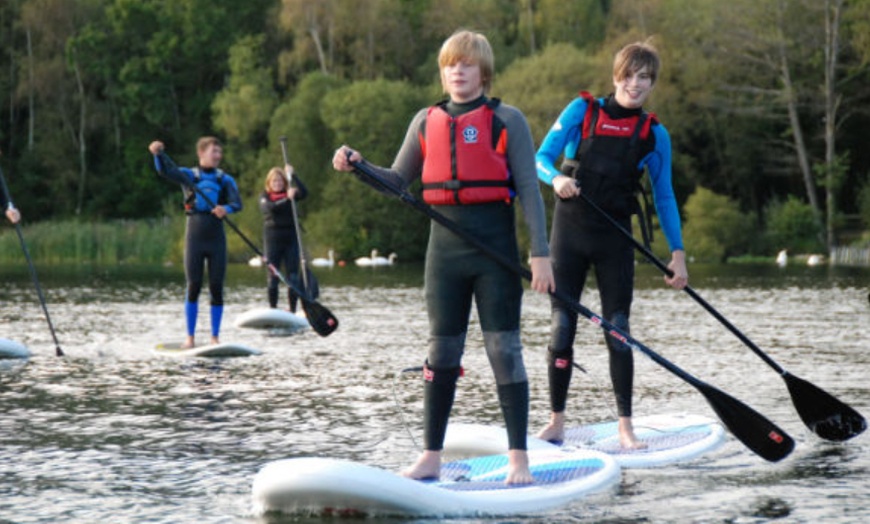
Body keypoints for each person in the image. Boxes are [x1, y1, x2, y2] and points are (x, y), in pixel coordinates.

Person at [332, 30, 554, 484]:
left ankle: (519, 459)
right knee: (441, 353)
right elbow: (397, 181)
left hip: (494, 250)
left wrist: (541, 255)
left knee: (503, 350)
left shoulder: (507, 120)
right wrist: (358, 166)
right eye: (451, 64)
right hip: (444, 253)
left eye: (467, 64)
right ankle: (431, 455)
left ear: (483, 72)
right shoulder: (424, 121)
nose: (457, 71)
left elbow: (530, 191)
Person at [535, 40, 688, 449]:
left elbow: (665, 196)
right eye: (629, 75)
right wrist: (557, 179)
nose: (635, 84)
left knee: (618, 330)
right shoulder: (581, 111)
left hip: (615, 240)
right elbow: (539, 158)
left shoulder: (654, 134)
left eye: (645, 78)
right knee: (562, 325)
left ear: (652, 83)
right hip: (569, 234)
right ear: (615, 75)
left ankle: (625, 428)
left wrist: (677, 254)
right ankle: (556, 421)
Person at [148, 137, 243, 349]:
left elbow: (237, 204)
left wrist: (225, 209)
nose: (218, 156)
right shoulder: (189, 176)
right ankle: (189, 338)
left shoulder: (224, 179)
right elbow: (164, 171)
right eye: (213, 152)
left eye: (219, 152)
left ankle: (214, 338)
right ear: (201, 154)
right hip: (195, 236)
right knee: (194, 286)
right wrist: (157, 154)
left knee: (217, 287)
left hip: (216, 237)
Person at [259, 166, 309, 311]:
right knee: (273, 277)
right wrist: (287, 198)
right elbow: (271, 208)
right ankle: (273, 308)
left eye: (280, 180)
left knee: (293, 277)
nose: (277, 183)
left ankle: (292, 309)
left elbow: (305, 193)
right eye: (274, 181)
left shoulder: (291, 194)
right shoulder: (264, 196)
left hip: (291, 238)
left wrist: (294, 176)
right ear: (269, 183)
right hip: (272, 239)